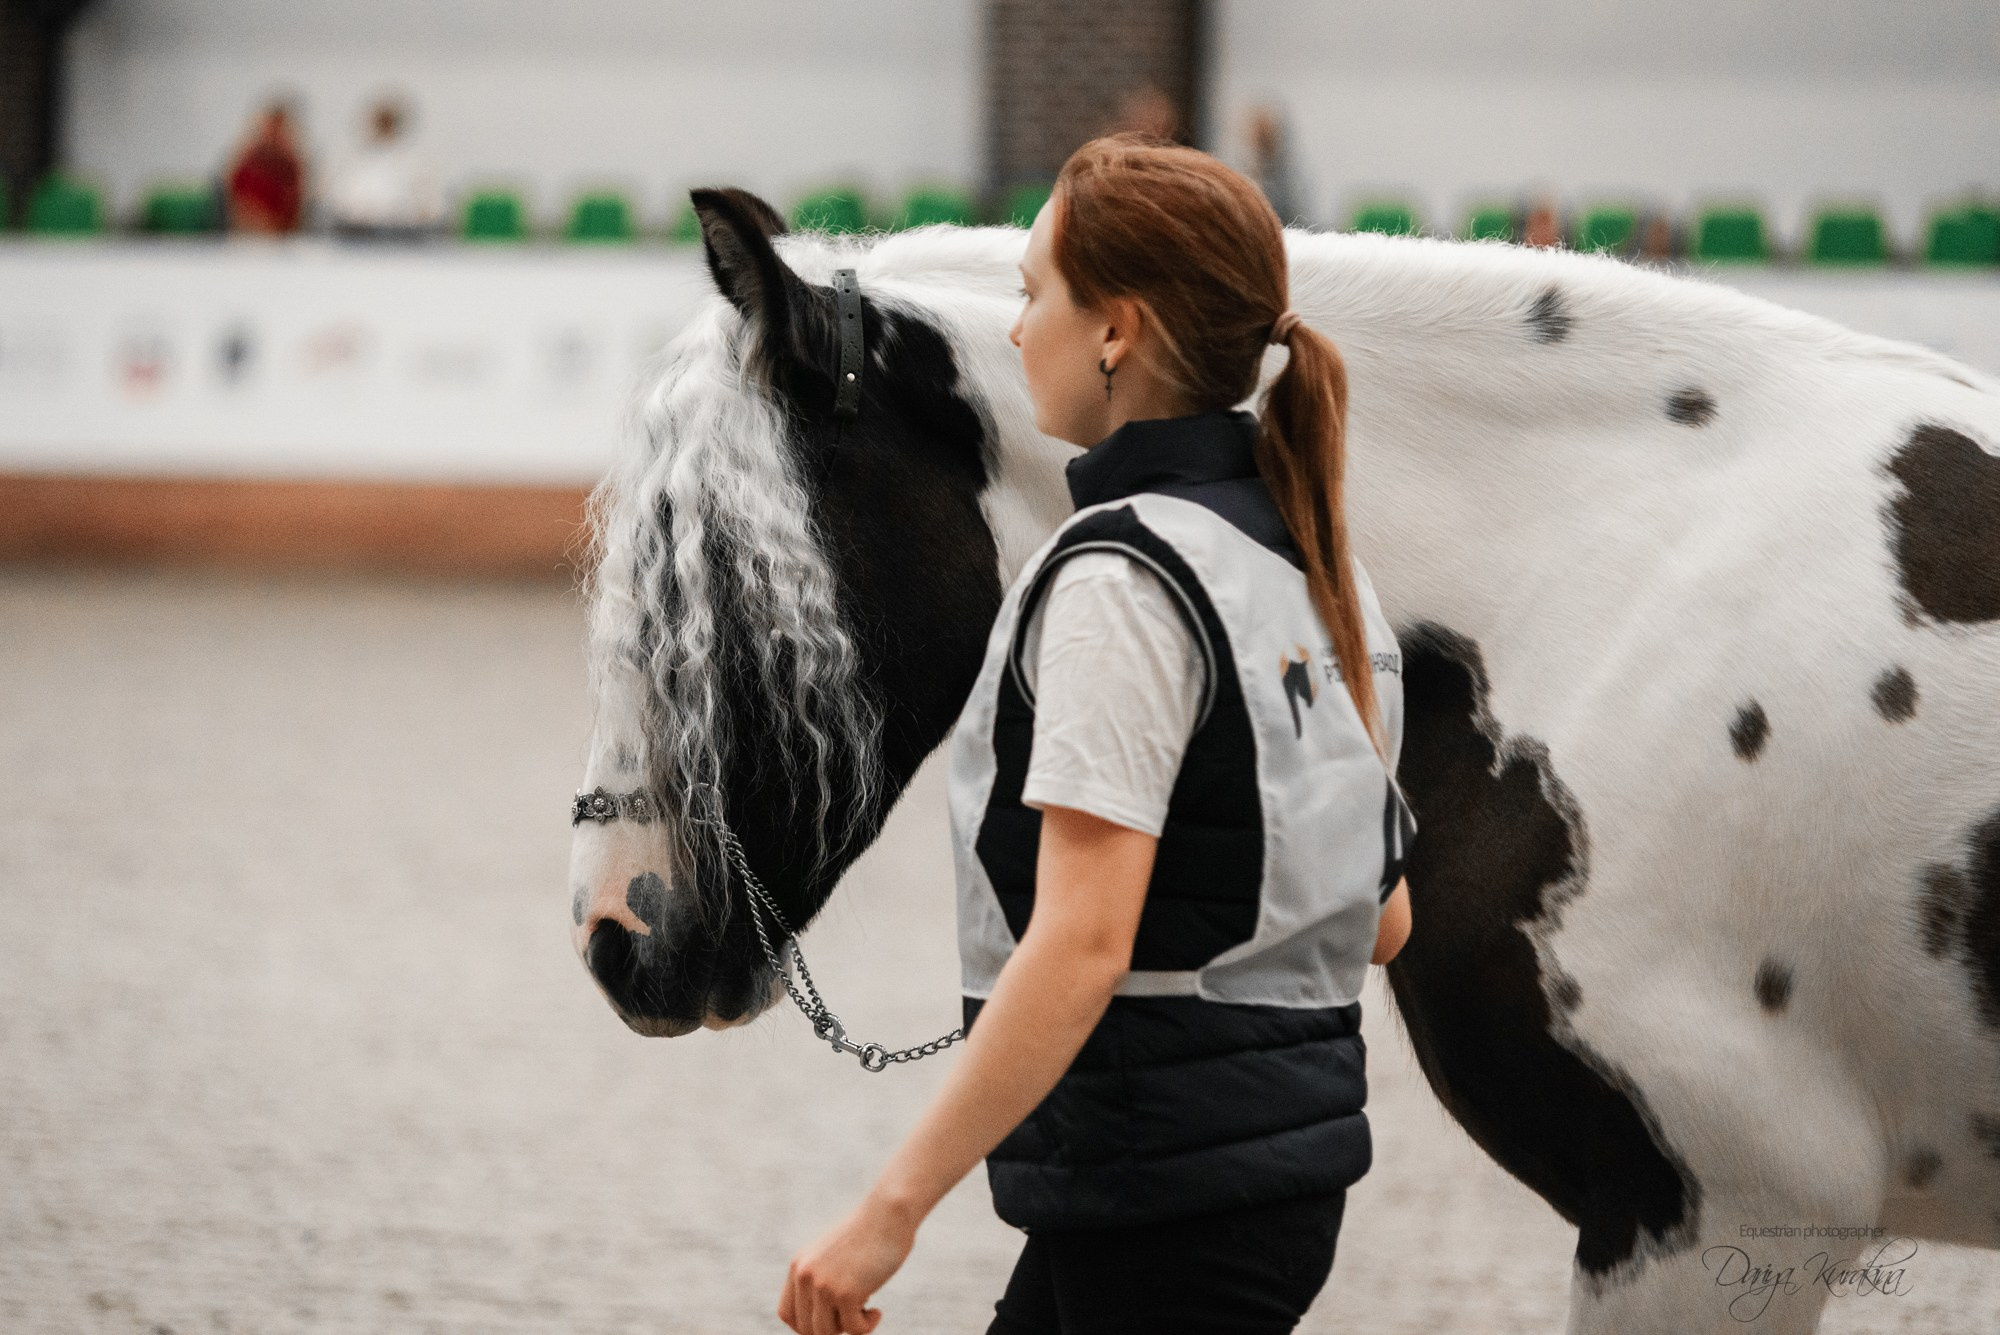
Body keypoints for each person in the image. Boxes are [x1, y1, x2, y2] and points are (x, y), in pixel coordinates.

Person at [777, 132, 1417, 1335]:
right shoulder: (1319, 563)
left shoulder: (1124, 581)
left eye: (1033, 294)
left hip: (1157, 1194)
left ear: (1114, 331)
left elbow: (1082, 947)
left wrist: (887, 1215)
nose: (1017, 329)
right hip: (1264, 1187)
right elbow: (1381, 920)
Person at [325, 94, 445, 240]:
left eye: (388, 121)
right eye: (381, 120)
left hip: (404, 237)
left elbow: (430, 206)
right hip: (358, 236)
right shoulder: (355, 161)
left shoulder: (416, 163)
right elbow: (338, 200)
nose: (384, 125)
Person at [225, 99, 307, 234]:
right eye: (269, 127)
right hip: (243, 238)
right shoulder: (249, 157)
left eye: (279, 129)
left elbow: (296, 209)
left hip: (280, 239)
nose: (272, 136)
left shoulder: (290, 164)